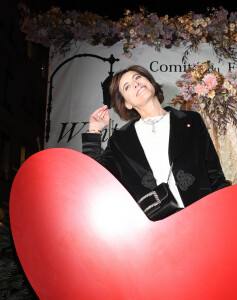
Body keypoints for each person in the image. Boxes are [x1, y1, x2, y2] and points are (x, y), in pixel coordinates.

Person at [82, 65, 229, 221]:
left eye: (138, 78)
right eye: (127, 87)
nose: (136, 84)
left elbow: (214, 174)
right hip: (153, 227)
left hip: (202, 216)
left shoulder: (191, 120)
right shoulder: (120, 140)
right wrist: (94, 131)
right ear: (126, 103)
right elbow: (96, 177)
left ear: (150, 82)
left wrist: (228, 207)